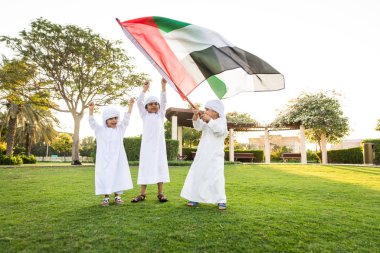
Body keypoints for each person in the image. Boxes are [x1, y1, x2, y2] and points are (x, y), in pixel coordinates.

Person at [180, 100, 228, 210]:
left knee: (216, 177)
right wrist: (196, 115)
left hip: (216, 155)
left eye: (207, 109)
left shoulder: (221, 121)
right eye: (205, 109)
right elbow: (197, 126)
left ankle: (221, 200)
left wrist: (209, 120)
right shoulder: (206, 121)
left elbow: (219, 131)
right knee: (198, 174)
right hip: (203, 153)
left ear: (215, 112)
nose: (205, 111)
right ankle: (194, 197)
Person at [88, 98, 134, 206]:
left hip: (118, 158)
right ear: (105, 120)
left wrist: (130, 106)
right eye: (110, 119)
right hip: (104, 159)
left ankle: (118, 197)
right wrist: (91, 110)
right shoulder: (100, 130)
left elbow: (126, 119)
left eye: (115, 118)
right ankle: (106, 198)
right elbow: (92, 123)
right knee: (105, 176)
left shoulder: (120, 129)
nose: (114, 120)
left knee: (118, 175)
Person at [131, 78, 170, 203]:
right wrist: (144, 90)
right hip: (147, 148)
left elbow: (164, 101)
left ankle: (160, 193)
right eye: (151, 104)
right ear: (146, 107)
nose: (154, 105)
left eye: (155, 104)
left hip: (159, 148)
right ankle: (142, 194)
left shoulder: (160, 115)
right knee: (145, 168)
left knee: (160, 167)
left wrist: (163, 86)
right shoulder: (144, 115)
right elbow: (139, 102)